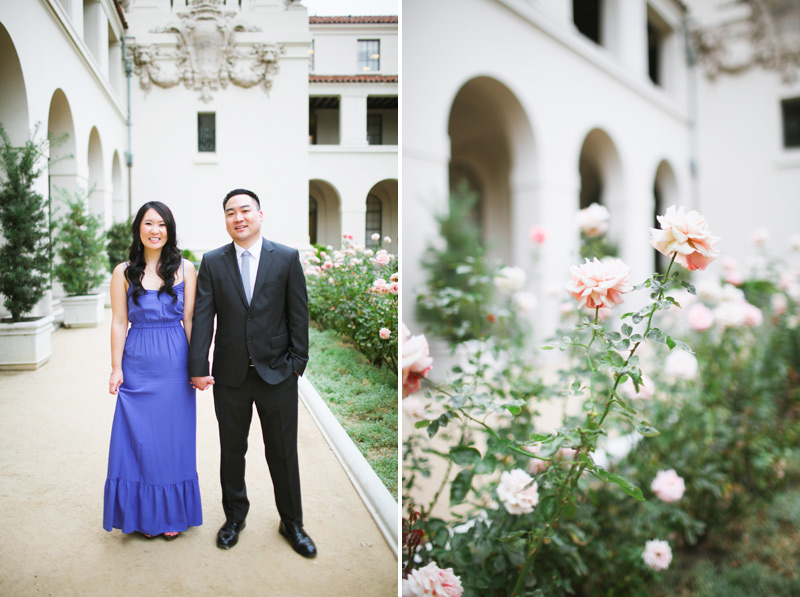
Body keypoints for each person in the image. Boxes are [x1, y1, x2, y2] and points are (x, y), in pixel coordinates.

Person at [188, 188, 316, 558]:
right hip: (229, 377)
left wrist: (297, 364)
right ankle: (234, 517)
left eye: (245, 210)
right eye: (231, 212)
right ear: (225, 220)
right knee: (232, 451)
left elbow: (298, 314)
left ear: (260, 214)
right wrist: (198, 367)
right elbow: (203, 317)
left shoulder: (286, 258)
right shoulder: (212, 261)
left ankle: (292, 521)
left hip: (277, 373)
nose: (238, 217)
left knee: (282, 452)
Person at [104, 201, 202, 539]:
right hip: (137, 361)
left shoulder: (186, 268)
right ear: (139, 229)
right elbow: (118, 321)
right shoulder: (123, 272)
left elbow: (190, 320)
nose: (155, 230)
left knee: (173, 440)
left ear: (169, 230)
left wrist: (198, 365)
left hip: (175, 364)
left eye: (162, 224)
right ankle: (143, 515)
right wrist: (116, 368)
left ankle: (171, 514)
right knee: (137, 440)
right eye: (148, 223)